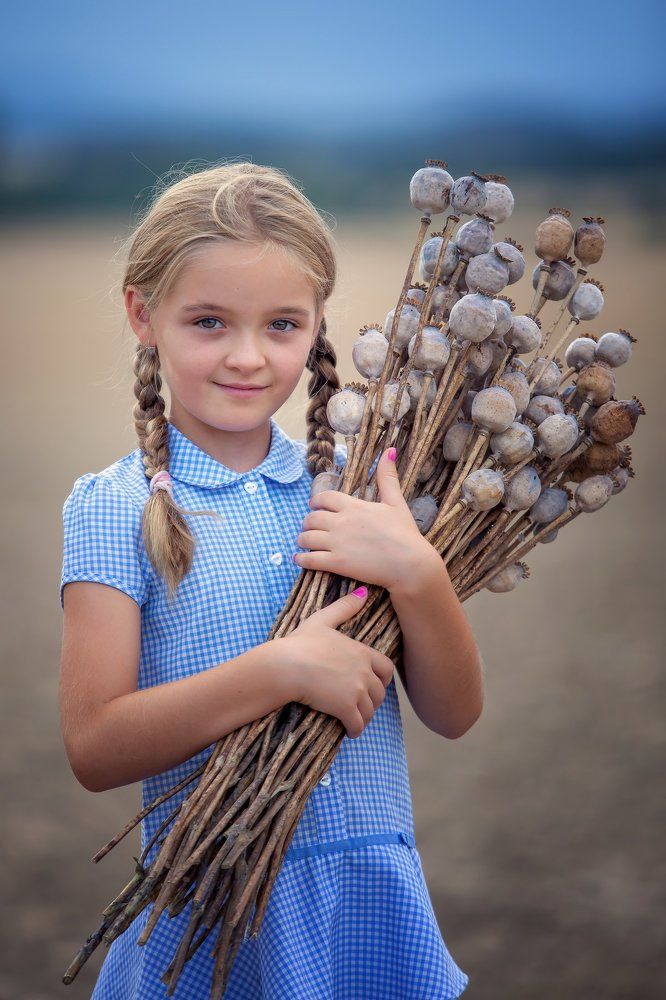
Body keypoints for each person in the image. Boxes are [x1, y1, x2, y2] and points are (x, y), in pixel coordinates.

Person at [59, 160, 483, 998]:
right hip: (209, 910)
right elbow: (95, 746)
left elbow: (456, 713)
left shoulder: (358, 496)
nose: (248, 357)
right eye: (209, 321)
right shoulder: (112, 508)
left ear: (319, 321)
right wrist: (279, 670)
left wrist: (420, 573)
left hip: (362, 905)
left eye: (283, 325)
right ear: (144, 315)